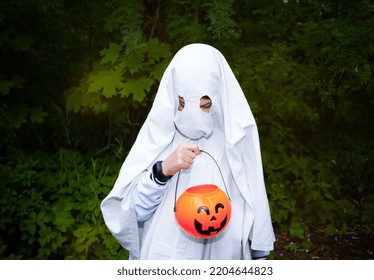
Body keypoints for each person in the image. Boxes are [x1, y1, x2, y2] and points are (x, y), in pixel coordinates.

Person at [100, 43, 275, 260]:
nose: (194, 116)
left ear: (220, 97)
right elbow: (134, 213)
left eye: (205, 105)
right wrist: (162, 171)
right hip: (167, 256)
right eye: (183, 103)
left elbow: (255, 202)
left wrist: (259, 253)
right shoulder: (159, 138)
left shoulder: (235, 139)